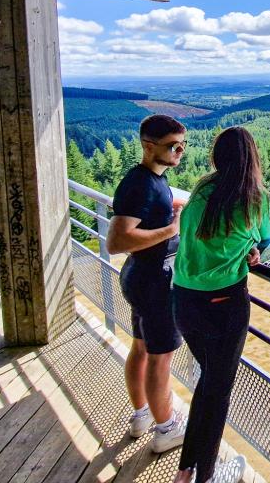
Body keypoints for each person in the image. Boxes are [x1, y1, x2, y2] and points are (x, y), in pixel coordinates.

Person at [171, 127, 270, 483]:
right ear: (252, 158)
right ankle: (206, 476)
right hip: (224, 305)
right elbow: (267, 233)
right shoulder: (254, 197)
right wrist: (251, 246)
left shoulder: (201, 188)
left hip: (184, 301)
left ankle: (187, 469)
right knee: (218, 391)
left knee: (210, 383)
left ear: (217, 157)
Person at [107, 114, 189, 453]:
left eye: (183, 146)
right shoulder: (140, 183)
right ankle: (166, 428)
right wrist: (173, 228)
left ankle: (141, 415)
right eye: (173, 146)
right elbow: (117, 240)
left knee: (141, 348)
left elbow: (147, 210)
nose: (179, 152)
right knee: (160, 357)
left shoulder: (150, 180)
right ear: (148, 145)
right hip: (154, 283)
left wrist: (172, 206)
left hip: (141, 277)